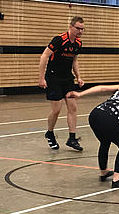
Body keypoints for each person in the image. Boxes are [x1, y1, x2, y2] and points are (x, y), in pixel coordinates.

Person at [66, 80, 119, 188]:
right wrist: (118, 130)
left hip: (95, 114)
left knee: (105, 141)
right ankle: (117, 179)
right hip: (108, 118)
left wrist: (80, 94)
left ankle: (103, 173)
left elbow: (101, 88)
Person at [38, 16, 85, 151]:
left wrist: (79, 77)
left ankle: (72, 138)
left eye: (82, 29)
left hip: (67, 79)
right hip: (53, 78)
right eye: (78, 29)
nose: (80, 32)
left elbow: (74, 61)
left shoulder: (78, 43)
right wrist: (42, 78)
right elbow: (44, 56)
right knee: (56, 110)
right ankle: (50, 133)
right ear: (71, 27)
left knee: (73, 107)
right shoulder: (59, 40)